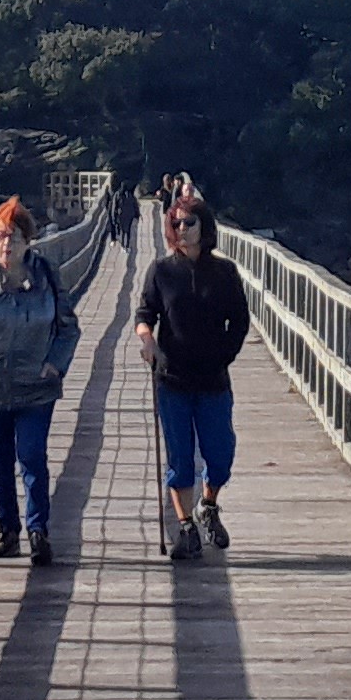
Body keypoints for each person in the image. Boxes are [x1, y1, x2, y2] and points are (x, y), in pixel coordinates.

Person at [0, 197, 79, 565]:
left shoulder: (46, 277)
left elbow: (69, 329)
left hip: (35, 387)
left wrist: (54, 365)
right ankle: (8, 532)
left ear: (28, 240)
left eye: (13, 236)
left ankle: (38, 531)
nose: (5, 244)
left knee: (32, 456)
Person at [134, 190, 252, 560]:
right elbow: (145, 313)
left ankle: (208, 505)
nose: (182, 229)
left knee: (220, 455)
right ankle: (186, 527)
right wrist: (147, 340)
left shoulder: (224, 272)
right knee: (180, 458)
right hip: (173, 379)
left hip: (213, 379)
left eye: (189, 222)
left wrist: (225, 355)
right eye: (176, 223)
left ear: (205, 227)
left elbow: (240, 320)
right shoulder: (162, 271)